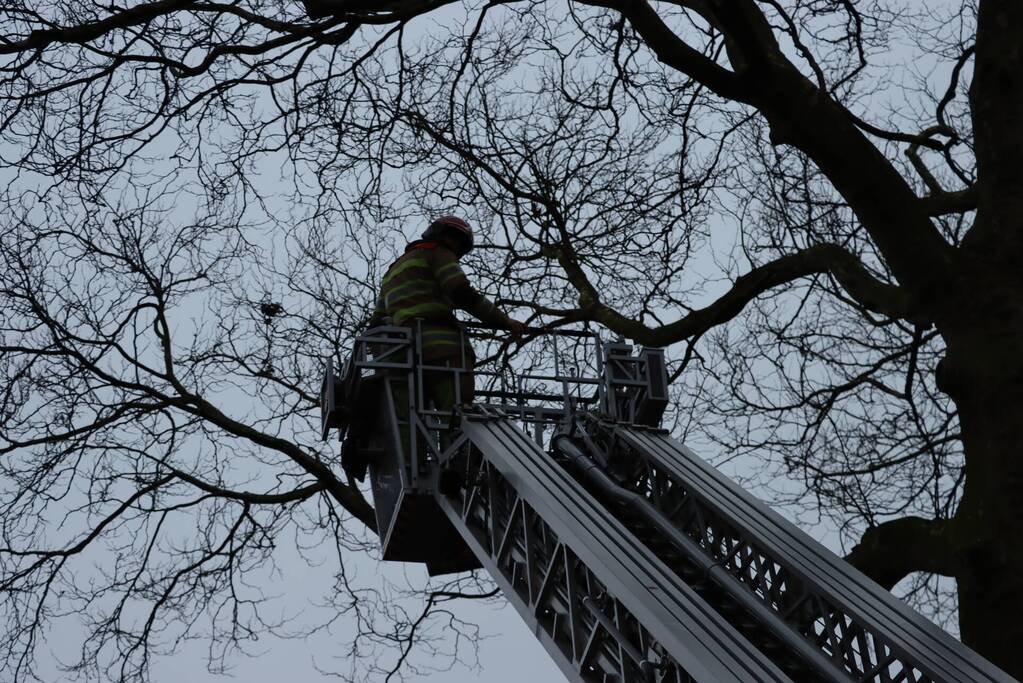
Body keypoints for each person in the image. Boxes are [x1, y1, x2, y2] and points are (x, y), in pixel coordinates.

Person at [367, 215, 526, 421]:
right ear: (440, 234)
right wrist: (505, 321)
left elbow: (377, 321)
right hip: (442, 349)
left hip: (400, 355)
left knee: (404, 420)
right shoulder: (438, 253)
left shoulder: (392, 271)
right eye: (454, 238)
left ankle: (410, 452)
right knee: (458, 415)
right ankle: (461, 451)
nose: (456, 246)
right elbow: (461, 291)